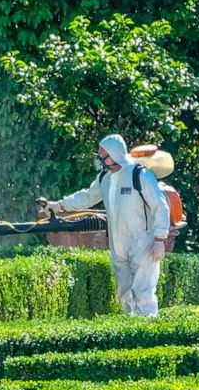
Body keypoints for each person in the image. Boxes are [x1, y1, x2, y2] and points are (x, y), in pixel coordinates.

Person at [43, 134, 171, 316]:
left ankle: (148, 333)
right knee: (124, 295)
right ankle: (131, 334)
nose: (99, 157)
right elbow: (87, 197)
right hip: (118, 246)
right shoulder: (105, 178)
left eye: (103, 153)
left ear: (115, 153)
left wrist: (160, 239)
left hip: (143, 244)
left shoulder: (139, 175)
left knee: (143, 294)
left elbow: (161, 206)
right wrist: (59, 205)